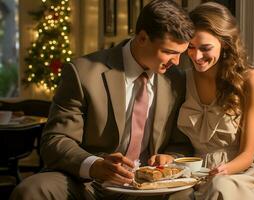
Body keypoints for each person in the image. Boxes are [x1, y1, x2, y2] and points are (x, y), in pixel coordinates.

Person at [10, 0, 193, 199]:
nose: (176, 62)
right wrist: (94, 166)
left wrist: (170, 158)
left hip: (152, 186)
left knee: (185, 194)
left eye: (180, 54)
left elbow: (180, 143)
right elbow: (55, 140)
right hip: (90, 183)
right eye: (169, 52)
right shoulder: (82, 72)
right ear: (142, 38)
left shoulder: (177, 80)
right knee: (32, 189)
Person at [168, 2, 254, 200]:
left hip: (238, 171)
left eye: (205, 48)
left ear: (225, 43)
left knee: (221, 187)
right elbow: (177, 141)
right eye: (191, 47)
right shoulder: (182, 79)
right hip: (193, 171)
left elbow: (247, 154)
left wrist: (220, 172)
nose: (196, 56)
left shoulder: (251, 81)